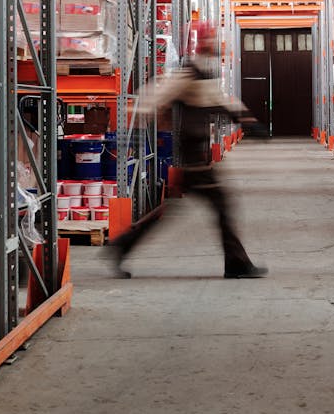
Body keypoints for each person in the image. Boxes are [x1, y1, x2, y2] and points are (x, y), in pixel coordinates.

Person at [109, 22, 267, 280]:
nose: (216, 43)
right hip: (196, 162)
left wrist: (248, 121)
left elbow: (219, 100)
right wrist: (140, 116)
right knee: (223, 207)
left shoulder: (204, 72)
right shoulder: (191, 71)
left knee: (176, 212)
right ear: (204, 42)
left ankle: (124, 245)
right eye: (212, 39)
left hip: (198, 160)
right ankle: (237, 263)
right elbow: (162, 92)